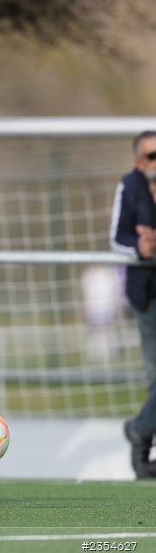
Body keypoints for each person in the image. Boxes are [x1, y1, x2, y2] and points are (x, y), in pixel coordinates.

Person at [111, 129, 156, 479]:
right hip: (147, 292)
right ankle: (142, 442)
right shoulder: (130, 187)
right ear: (139, 161)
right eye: (152, 156)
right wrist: (140, 248)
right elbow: (118, 236)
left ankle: (140, 431)